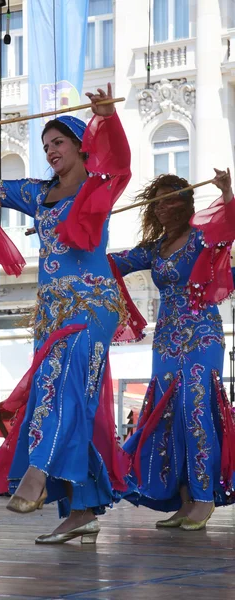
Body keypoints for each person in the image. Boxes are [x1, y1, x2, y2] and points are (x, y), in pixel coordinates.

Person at [0, 85, 144, 544]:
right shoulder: (39, 195)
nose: (51, 152)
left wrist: (106, 118)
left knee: (65, 385)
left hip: (93, 304)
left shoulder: (100, 184)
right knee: (61, 394)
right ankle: (81, 510)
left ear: (81, 145)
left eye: (58, 143)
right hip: (51, 312)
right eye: (45, 147)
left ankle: (37, 474)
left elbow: (119, 160)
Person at [110, 171, 235, 530]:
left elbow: (230, 225)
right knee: (169, 417)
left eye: (171, 199)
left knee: (195, 410)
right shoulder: (155, 248)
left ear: (186, 203)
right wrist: (83, 232)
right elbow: (113, 263)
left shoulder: (201, 238)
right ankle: (183, 500)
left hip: (201, 335)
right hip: (166, 339)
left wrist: (226, 192)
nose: (164, 207)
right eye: (157, 202)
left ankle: (204, 497)